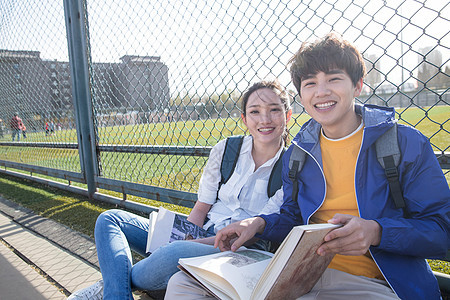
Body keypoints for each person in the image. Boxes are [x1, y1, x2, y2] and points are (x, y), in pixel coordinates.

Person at [166, 33, 450, 300]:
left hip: (376, 282)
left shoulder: (404, 143)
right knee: (183, 283)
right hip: (302, 272)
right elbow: (293, 217)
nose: (321, 92)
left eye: (334, 79)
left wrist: (377, 231)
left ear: (358, 84)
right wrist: (259, 223)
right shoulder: (299, 153)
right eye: (310, 83)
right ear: (301, 94)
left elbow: (441, 229)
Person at [68, 79, 293, 300]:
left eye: (274, 110)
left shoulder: (290, 166)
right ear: (244, 118)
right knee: (110, 219)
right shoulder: (226, 149)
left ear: (288, 115)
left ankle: (112, 283)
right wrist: (186, 236)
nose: (264, 119)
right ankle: (116, 292)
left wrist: (186, 246)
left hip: (238, 247)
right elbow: (202, 207)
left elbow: (255, 233)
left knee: (170, 254)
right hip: (203, 230)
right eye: (255, 111)